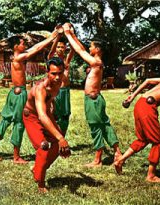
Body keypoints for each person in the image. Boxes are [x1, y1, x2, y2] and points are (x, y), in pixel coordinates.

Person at [0, 28, 60, 163]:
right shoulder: (19, 57)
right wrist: (51, 38)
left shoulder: (15, 57)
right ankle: (16, 157)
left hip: (13, 92)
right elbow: (36, 48)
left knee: (5, 120)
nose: (25, 45)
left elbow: (34, 48)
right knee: (19, 123)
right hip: (20, 93)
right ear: (16, 46)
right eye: (22, 43)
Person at [63, 23, 122, 168]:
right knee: (105, 125)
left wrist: (68, 34)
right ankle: (117, 152)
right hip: (96, 99)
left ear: (97, 49)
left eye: (91, 46)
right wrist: (73, 34)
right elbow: (82, 48)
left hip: (93, 100)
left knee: (96, 127)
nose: (89, 48)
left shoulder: (95, 62)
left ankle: (97, 160)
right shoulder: (97, 61)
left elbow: (80, 50)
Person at [23, 57, 71, 193]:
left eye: (60, 73)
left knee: (57, 147)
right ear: (47, 73)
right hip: (32, 116)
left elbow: (50, 100)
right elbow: (41, 116)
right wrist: (61, 138)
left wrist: (52, 108)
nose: (57, 77)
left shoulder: (60, 82)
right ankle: (41, 184)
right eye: (53, 74)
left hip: (45, 113)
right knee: (44, 146)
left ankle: (37, 168)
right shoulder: (40, 89)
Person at [47, 34, 74, 134]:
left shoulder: (66, 62)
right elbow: (50, 52)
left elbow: (73, 50)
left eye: (62, 47)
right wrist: (57, 36)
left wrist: (70, 34)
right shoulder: (52, 61)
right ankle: (54, 138)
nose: (60, 49)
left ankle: (62, 137)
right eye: (58, 47)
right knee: (53, 114)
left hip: (65, 91)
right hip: (55, 91)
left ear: (65, 48)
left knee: (65, 115)